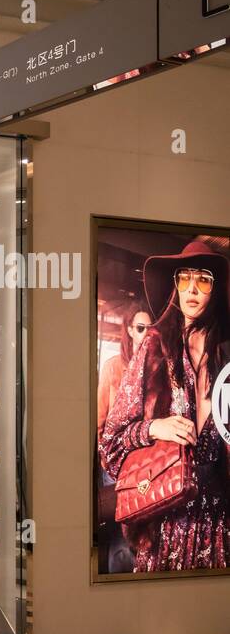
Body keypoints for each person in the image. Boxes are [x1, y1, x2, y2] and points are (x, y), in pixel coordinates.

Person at [101, 240, 230, 572]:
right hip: (167, 517)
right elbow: (112, 441)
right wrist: (154, 427)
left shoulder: (226, 354)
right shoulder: (155, 348)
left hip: (221, 521)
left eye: (203, 280)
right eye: (184, 278)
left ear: (215, 289)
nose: (192, 289)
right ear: (174, 285)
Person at [97, 303, 153, 440]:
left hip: (142, 452)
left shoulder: (155, 370)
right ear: (130, 331)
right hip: (115, 447)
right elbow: (99, 418)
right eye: (140, 328)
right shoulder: (112, 367)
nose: (146, 333)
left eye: (150, 329)